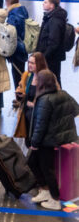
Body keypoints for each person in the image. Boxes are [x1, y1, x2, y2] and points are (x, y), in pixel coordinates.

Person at [29, 70, 79, 210]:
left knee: (45, 168)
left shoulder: (44, 99)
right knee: (34, 163)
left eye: (36, 80)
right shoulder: (63, 94)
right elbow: (75, 110)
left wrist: (34, 143)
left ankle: (55, 198)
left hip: (47, 140)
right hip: (58, 137)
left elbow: (41, 124)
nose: (34, 81)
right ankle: (45, 191)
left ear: (42, 83)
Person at [36, 0, 69, 84]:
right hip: (51, 57)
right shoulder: (51, 17)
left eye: (45, 2)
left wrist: (44, 56)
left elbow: (54, 42)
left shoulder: (55, 20)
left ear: (52, 5)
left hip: (51, 58)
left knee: (53, 80)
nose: (43, 3)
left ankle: (59, 98)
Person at [13, 52, 47, 140]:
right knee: (27, 140)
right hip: (26, 115)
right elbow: (20, 87)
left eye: (32, 63)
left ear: (39, 64)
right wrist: (19, 94)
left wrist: (30, 104)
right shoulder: (26, 75)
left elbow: (48, 100)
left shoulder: (46, 78)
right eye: (29, 62)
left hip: (39, 117)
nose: (29, 65)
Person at [5, 0, 30, 86]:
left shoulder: (13, 16)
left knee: (17, 74)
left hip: (17, 48)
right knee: (21, 71)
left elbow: (10, 33)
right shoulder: (22, 11)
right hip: (23, 45)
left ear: (8, 3)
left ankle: (19, 95)